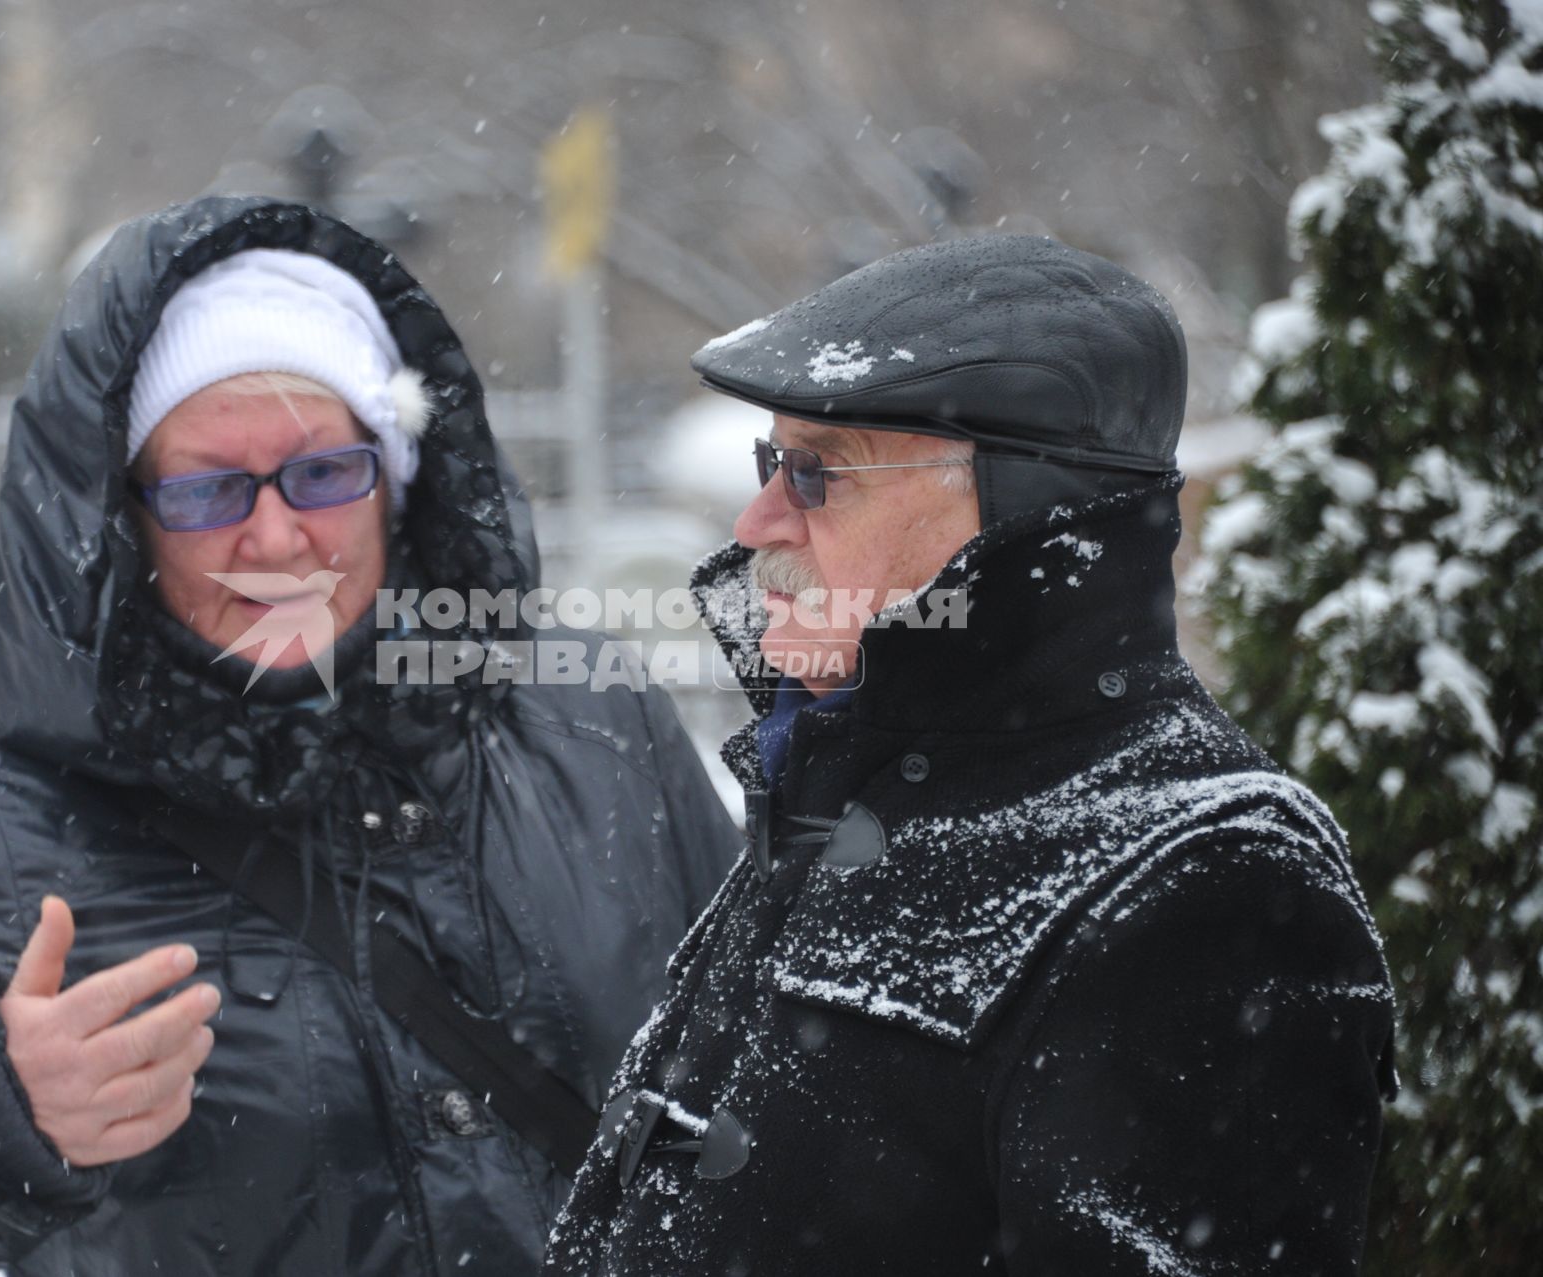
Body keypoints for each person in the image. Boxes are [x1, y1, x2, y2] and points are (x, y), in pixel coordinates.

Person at [0, 196, 737, 1275]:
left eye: (323, 471)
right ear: (124, 522)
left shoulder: (591, 724)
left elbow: (784, 1073)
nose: (274, 533)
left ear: (394, 485)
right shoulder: (13, 844)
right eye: (207, 489)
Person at [543, 236, 1397, 1275]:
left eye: (816, 473)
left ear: (1022, 520)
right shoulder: (840, 776)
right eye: (772, 463)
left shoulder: (1204, 880)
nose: (756, 517)